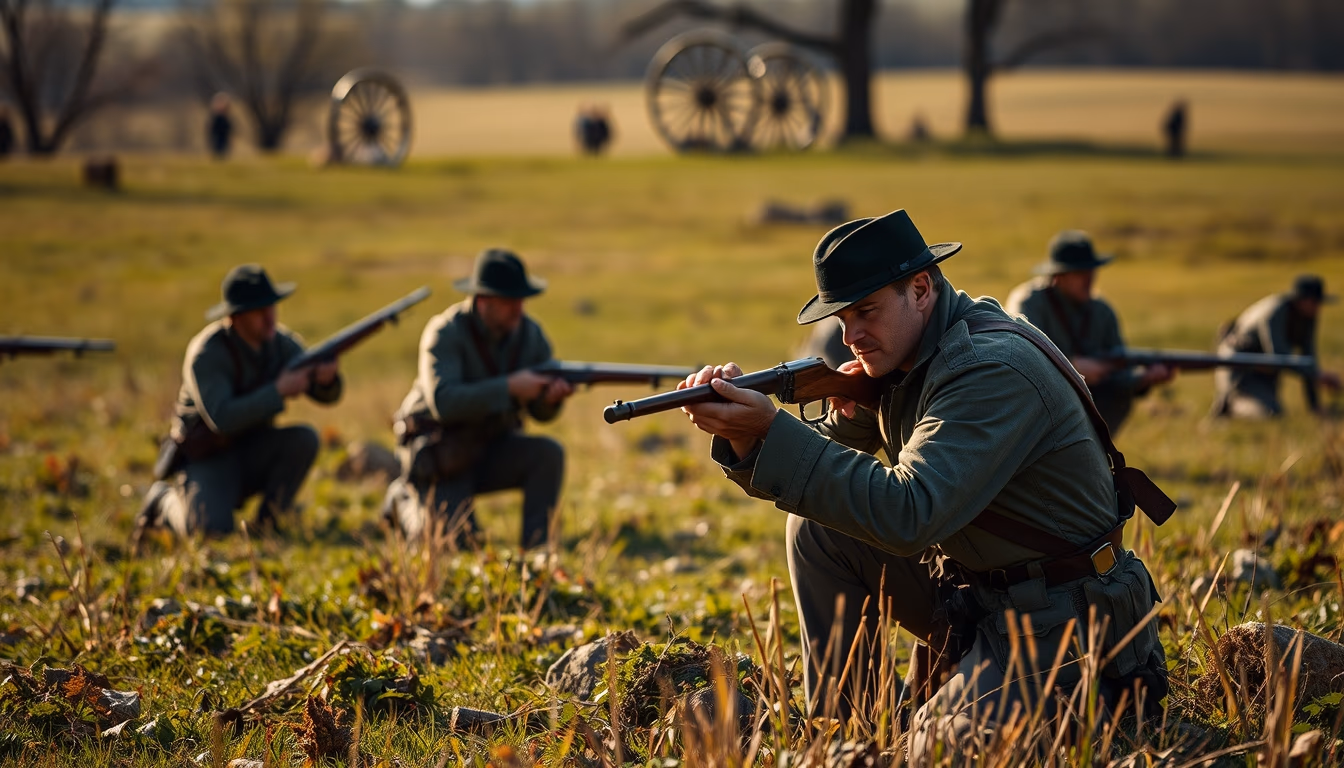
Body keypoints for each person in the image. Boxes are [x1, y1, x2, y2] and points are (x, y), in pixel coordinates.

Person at [678, 210, 1170, 760]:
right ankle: (847, 739)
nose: (851, 336)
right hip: (983, 596)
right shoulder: (913, 356)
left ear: (919, 289)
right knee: (818, 530)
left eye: (865, 311)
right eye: (842, 319)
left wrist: (773, 429)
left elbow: (909, 512)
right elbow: (833, 465)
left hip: (1063, 623)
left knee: (928, 754)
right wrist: (750, 439)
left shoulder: (989, 368)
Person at [133, 265, 341, 545]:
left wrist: (325, 379)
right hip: (209, 457)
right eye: (259, 311)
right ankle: (164, 501)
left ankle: (267, 525)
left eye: (271, 307)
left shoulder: (280, 343)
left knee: (304, 439)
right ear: (235, 317)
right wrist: (278, 390)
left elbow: (328, 394)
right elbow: (223, 418)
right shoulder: (206, 354)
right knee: (208, 533)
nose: (270, 317)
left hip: (254, 449)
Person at [383, 249, 572, 549]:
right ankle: (402, 499)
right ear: (483, 301)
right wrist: (510, 387)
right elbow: (444, 402)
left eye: (521, 300)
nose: (518, 309)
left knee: (548, 454)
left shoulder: (529, 334)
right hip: (442, 457)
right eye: (509, 301)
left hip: (490, 448)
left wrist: (550, 399)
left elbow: (541, 412)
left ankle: (537, 550)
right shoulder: (444, 333)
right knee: (451, 544)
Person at [1005, 230, 1174, 433]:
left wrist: (1143, 379)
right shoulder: (1029, 302)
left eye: (1091, 271)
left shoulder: (1102, 313)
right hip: (1038, 402)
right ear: (1058, 276)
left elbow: (1119, 371)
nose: (1089, 279)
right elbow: (1023, 357)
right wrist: (1072, 367)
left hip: (1089, 407)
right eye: (1080, 273)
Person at [1211, 275, 1341, 419]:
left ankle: (1236, 403)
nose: (1318, 307)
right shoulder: (1275, 312)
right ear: (1301, 299)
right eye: (1314, 302)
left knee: (1274, 411)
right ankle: (1229, 403)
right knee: (1267, 414)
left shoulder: (1307, 318)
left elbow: (1309, 358)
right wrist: (1316, 375)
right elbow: (1278, 356)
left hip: (1263, 374)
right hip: (1238, 366)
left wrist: (1315, 407)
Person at [207, 93, 234, 160]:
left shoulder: (226, 117)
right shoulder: (216, 118)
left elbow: (229, 127)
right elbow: (212, 128)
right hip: (217, 136)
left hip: (224, 136)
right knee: (217, 149)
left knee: (223, 150)